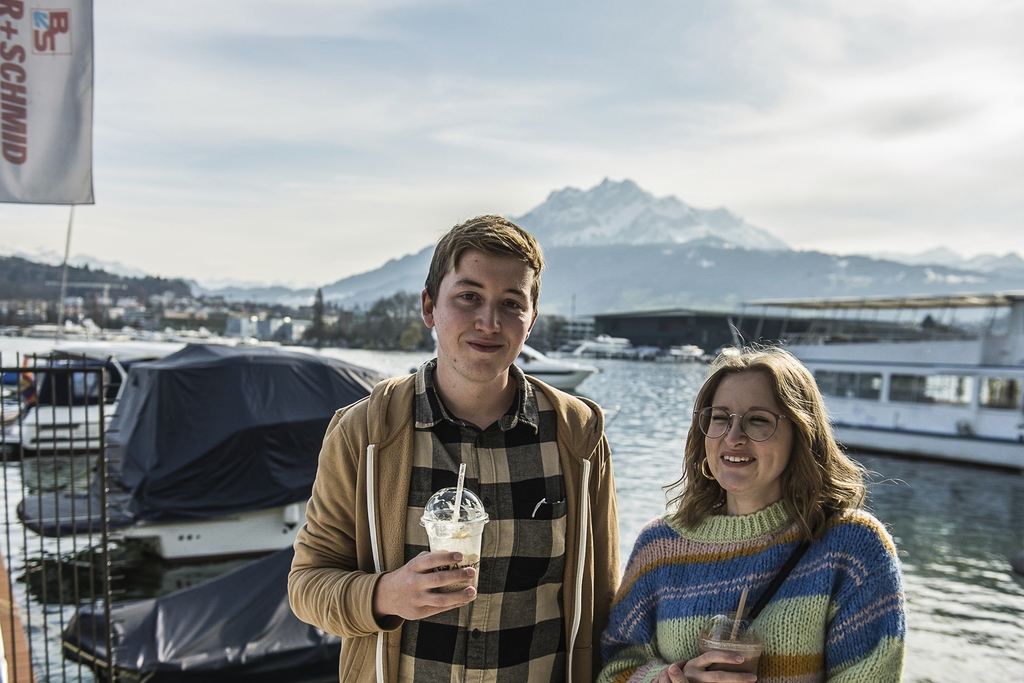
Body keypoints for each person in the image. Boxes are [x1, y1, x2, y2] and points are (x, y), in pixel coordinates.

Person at [288, 215, 620, 683]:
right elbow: (306, 585)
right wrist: (386, 595)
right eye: (469, 297)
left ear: (531, 320)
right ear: (429, 307)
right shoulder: (364, 433)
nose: (489, 321)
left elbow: (601, 600)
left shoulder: (578, 436)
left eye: (511, 302)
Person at [599, 347, 905, 683]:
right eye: (719, 418)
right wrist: (663, 679)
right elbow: (616, 665)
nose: (733, 438)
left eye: (758, 420)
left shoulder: (853, 547)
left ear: (802, 434)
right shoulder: (658, 547)